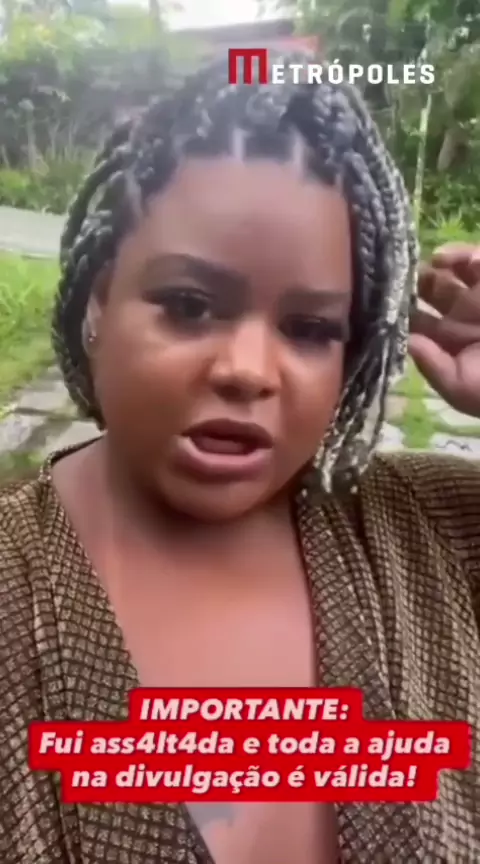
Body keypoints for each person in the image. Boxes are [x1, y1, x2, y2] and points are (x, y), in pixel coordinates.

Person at [0, 54, 479, 864]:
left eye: (310, 329)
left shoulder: (440, 538)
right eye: (189, 305)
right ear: (98, 299)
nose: (249, 371)